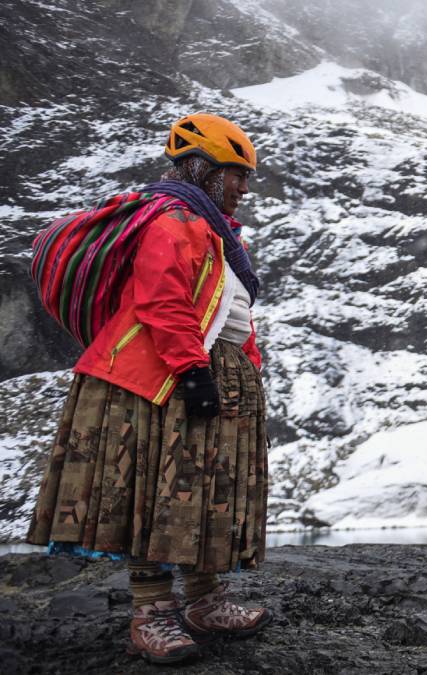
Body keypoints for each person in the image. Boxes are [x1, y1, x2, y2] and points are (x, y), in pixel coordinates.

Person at [26, 113, 271, 663]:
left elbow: (230, 313)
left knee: (204, 488)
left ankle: (205, 600)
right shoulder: (174, 221)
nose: (245, 188)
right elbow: (164, 301)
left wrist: (242, 372)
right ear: (205, 170)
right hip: (161, 378)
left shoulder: (213, 230)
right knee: (157, 491)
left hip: (206, 370)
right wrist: (192, 370)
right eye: (237, 174)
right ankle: (153, 611)